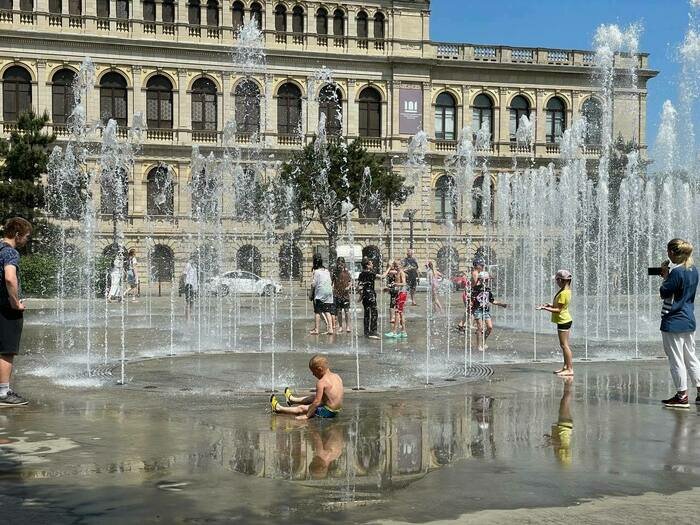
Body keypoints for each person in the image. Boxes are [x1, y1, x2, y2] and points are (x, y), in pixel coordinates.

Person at [658, 239, 699, 408]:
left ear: (674, 253)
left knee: (676, 359)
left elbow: (664, 292)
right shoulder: (694, 270)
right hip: (688, 319)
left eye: (668, 251)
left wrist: (666, 277)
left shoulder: (677, 272)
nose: (667, 254)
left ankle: (682, 396)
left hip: (674, 320)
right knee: (691, 357)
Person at [0, 217, 32, 406]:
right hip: (5, 308)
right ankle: (3, 392)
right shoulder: (11, 253)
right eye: (26, 236)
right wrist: (15, 303)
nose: (27, 240)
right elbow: (10, 278)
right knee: (6, 350)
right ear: (18, 235)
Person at [270, 354, 344, 419]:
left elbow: (316, 402)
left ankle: (278, 408)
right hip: (336, 409)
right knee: (314, 397)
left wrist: (307, 415)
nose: (313, 375)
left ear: (319, 369)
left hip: (328, 412)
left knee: (302, 408)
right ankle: (292, 400)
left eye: (313, 372)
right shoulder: (337, 376)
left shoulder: (321, 382)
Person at [536, 269, 574, 376]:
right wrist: (550, 305)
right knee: (563, 345)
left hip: (564, 320)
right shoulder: (565, 290)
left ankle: (570, 369)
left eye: (557, 280)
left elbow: (559, 310)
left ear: (562, 280)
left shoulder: (564, 293)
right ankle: (565, 367)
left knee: (565, 345)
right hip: (564, 320)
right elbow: (558, 307)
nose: (556, 282)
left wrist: (544, 308)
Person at [471, 273, 507, 351]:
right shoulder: (475, 289)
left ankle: (484, 340)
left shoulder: (488, 289)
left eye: (488, 280)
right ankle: (478, 345)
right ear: (482, 280)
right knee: (480, 327)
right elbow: (471, 299)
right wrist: (471, 306)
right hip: (478, 310)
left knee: (490, 327)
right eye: (487, 280)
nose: (487, 281)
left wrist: (502, 304)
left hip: (486, 311)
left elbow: (492, 301)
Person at [310, 254, 334, 335]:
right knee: (327, 311)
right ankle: (330, 329)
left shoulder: (316, 272)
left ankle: (316, 329)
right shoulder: (326, 270)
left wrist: (311, 294)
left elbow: (313, 284)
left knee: (317, 311)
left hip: (321, 292)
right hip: (329, 291)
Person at [357, 258, 379, 339]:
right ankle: (373, 331)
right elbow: (382, 277)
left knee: (366, 314)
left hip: (365, 296)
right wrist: (388, 268)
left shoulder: (361, 274)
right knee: (374, 313)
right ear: (367, 265)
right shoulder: (371, 273)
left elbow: (358, 287)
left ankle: (366, 332)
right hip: (371, 295)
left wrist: (360, 295)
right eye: (371, 264)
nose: (372, 265)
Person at [385, 261, 408, 338]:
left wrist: (395, 284)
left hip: (402, 293)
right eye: (395, 266)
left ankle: (394, 332)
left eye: (397, 266)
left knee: (397, 312)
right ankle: (403, 332)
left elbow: (404, 283)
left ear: (401, 266)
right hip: (400, 293)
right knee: (400, 312)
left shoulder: (401, 273)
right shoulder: (397, 272)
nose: (396, 267)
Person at [332, 257, 351, 334]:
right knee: (339, 311)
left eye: (341, 264)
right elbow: (332, 283)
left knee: (346, 311)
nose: (340, 265)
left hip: (345, 295)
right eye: (339, 264)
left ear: (344, 264)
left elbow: (350, 282)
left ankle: (347, 326)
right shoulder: (335, 273)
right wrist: (332, 288)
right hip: (338, 294)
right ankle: (340, 326)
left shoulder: (347, 272)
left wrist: (348, 287)